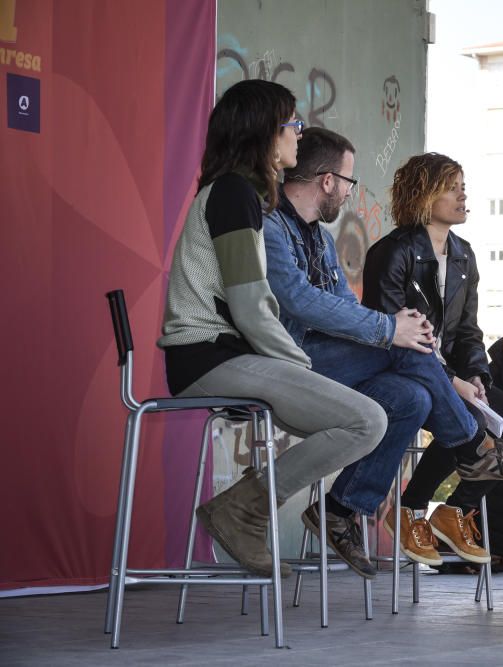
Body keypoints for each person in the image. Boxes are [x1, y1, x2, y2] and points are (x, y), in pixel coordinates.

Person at [264, 136, 503, 573]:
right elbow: (303, 303)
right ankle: (475, 451)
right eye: (347, 181)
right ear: (327, 181)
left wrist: (474, 374)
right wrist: (393, 332)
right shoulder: (277, 228)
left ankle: (339, 509)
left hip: (357, 358)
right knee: (412, 344)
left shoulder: (321, 238)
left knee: (414, 398)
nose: (349, 191)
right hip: (294, 359)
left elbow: (350, 306)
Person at [158, 80, 386, 578]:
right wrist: (299, 365)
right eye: (292, 124)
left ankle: (244, 507)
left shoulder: (239, 194)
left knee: (364, 419)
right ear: (265, 132)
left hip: (228, 357)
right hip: (210, 357)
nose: (299, 136)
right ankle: (241, 509)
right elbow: (251, 306)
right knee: (367, 421)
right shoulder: (235, 195)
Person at [363, 152, 503, 565]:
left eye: (462, 186)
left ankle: (451, 512)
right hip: (403, 373)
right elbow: (392, 338)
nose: (463, 196)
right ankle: (412, 510)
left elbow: (467, 330)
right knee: (472, 416)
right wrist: (452, 381)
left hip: (451, 374)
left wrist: (476, 374)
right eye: (452, 187)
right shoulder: (391, 253)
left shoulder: (463, 254)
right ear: (424, 195)